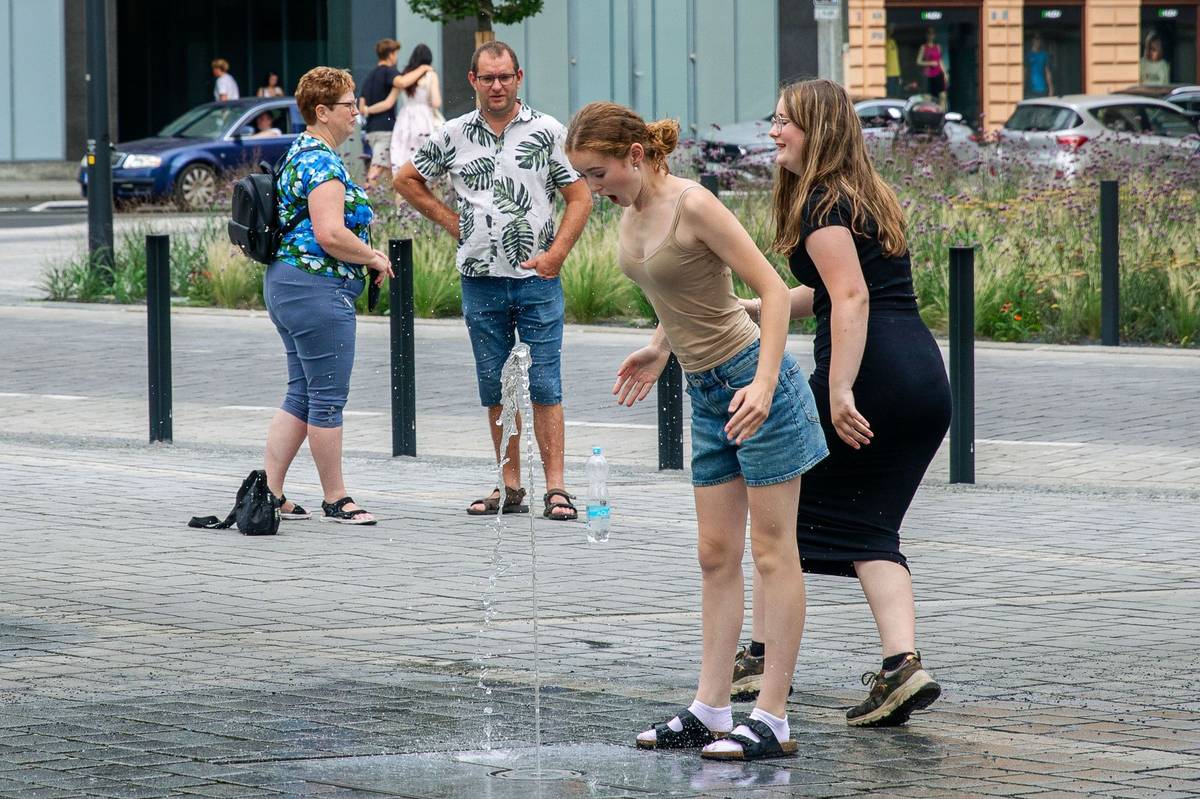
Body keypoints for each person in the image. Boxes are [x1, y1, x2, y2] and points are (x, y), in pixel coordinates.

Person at [565, 102, 828, 761]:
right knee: (715, 552)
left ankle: (772, 715)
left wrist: (765, 384)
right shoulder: (631, 214)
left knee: (773, 552)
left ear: (634, 155)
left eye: (598, 174)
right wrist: (659, 348)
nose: (593, 189)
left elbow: (770, 290)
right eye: (584, 177)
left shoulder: (695, 205)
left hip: (752, 384)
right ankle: (711, 708)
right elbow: (678, 293)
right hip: (705, 389)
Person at [732, 79, 951, 729]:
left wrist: (838, 388)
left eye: (785, 123)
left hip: (874, 377)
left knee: (784, 519)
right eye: (773, 120)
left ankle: (763, 660)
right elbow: (830, 292)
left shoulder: (823, 202)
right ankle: (902, 667)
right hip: (920, 378)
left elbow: (851, 298)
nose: (774, 132)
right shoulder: (862, 194)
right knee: (867, 526)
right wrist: (757, 307)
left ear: (819, 129)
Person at [394, 42, 591, 521]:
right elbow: (405, 179)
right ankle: (509, 486)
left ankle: (557, 488)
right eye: (488, 78)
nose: (497, 86)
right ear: (473, 80)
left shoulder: (547, 132)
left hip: (535, 278)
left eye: (504, 77)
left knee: (545, 382)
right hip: (480, 278)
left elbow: (580, 196)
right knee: (495, 385)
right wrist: (450, 220)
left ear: (519, 76)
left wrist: (556, 255)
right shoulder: (454, 133)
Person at [262, 66, 394, 526]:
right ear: (322, 111)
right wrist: (374, 258)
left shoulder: (300, 151)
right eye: (348, 105)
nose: (356, 112)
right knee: (326, 397)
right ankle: (336, 498)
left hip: (288, 284)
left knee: (301, 391)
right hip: (317, 288)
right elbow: (331, 233)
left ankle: (270, 492)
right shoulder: (321, 161)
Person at [388, 44, 443, 175]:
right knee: (427, 155)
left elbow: (390, 100)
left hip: (404, 118)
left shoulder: (404, 75)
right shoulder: (430, 74)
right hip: (424, 118)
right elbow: (436, 102)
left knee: (403, 154)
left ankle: (402, 189)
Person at [357, 39, 404, 191]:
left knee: (392, 169)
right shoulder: (390, 72)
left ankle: (395, 206)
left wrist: (368, 110)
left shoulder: (369, 77)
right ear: (391, 55)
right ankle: (363, 202)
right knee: (377, 168)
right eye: (396, 53)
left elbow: (361, 107)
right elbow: (389, 102)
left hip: (371, 130)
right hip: (385, 129)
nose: (396, 57)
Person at [915, 28, 947, 109]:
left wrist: (945, 73)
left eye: (932, 34)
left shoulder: (938, 47)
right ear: (926, 35)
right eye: (929, 33)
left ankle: (941, 114)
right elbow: (918, 61)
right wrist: (930, 63)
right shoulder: (924, 47)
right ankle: (930, 115)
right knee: (928, 97)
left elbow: (940, 60)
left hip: (938, 73)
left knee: (943, 96)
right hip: (928, 74)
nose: (931, 35)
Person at [1026, 33, 1054, 98]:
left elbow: (1048, 72)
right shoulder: (1028, 55)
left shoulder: (1044, 55)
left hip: (1042, 89)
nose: (1038, 41)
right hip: (1030, 89)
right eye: (1036, 39)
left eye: (1039, 39)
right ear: (1032, 40)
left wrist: (1051, 88)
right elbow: (1025, 71)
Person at [885, 26, 902, 99]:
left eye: (892, 30)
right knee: (890, 94)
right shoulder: (883, 42)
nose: (891, 31)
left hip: (896, 73)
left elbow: (896, 59)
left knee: (897, 93)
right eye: (889, 30)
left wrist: (900, 74)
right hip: (888, 73)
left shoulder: (893, 41)